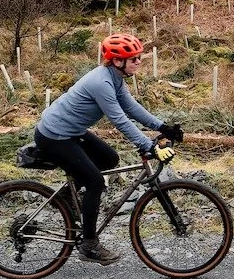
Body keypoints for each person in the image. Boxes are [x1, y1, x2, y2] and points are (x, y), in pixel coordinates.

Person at [34, 32, 183, 265]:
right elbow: (120, 120)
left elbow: (132, 108)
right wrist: (148, 146)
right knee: (95, 182)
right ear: (116, 61)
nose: (139, 61)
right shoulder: (101, 82)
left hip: (72, 132)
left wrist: (163, 126)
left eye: (138, 57)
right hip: (54, 136)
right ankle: (89, 245)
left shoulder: (115, 78)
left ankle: (64, 198)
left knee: (109, 159)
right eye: (133, 58)